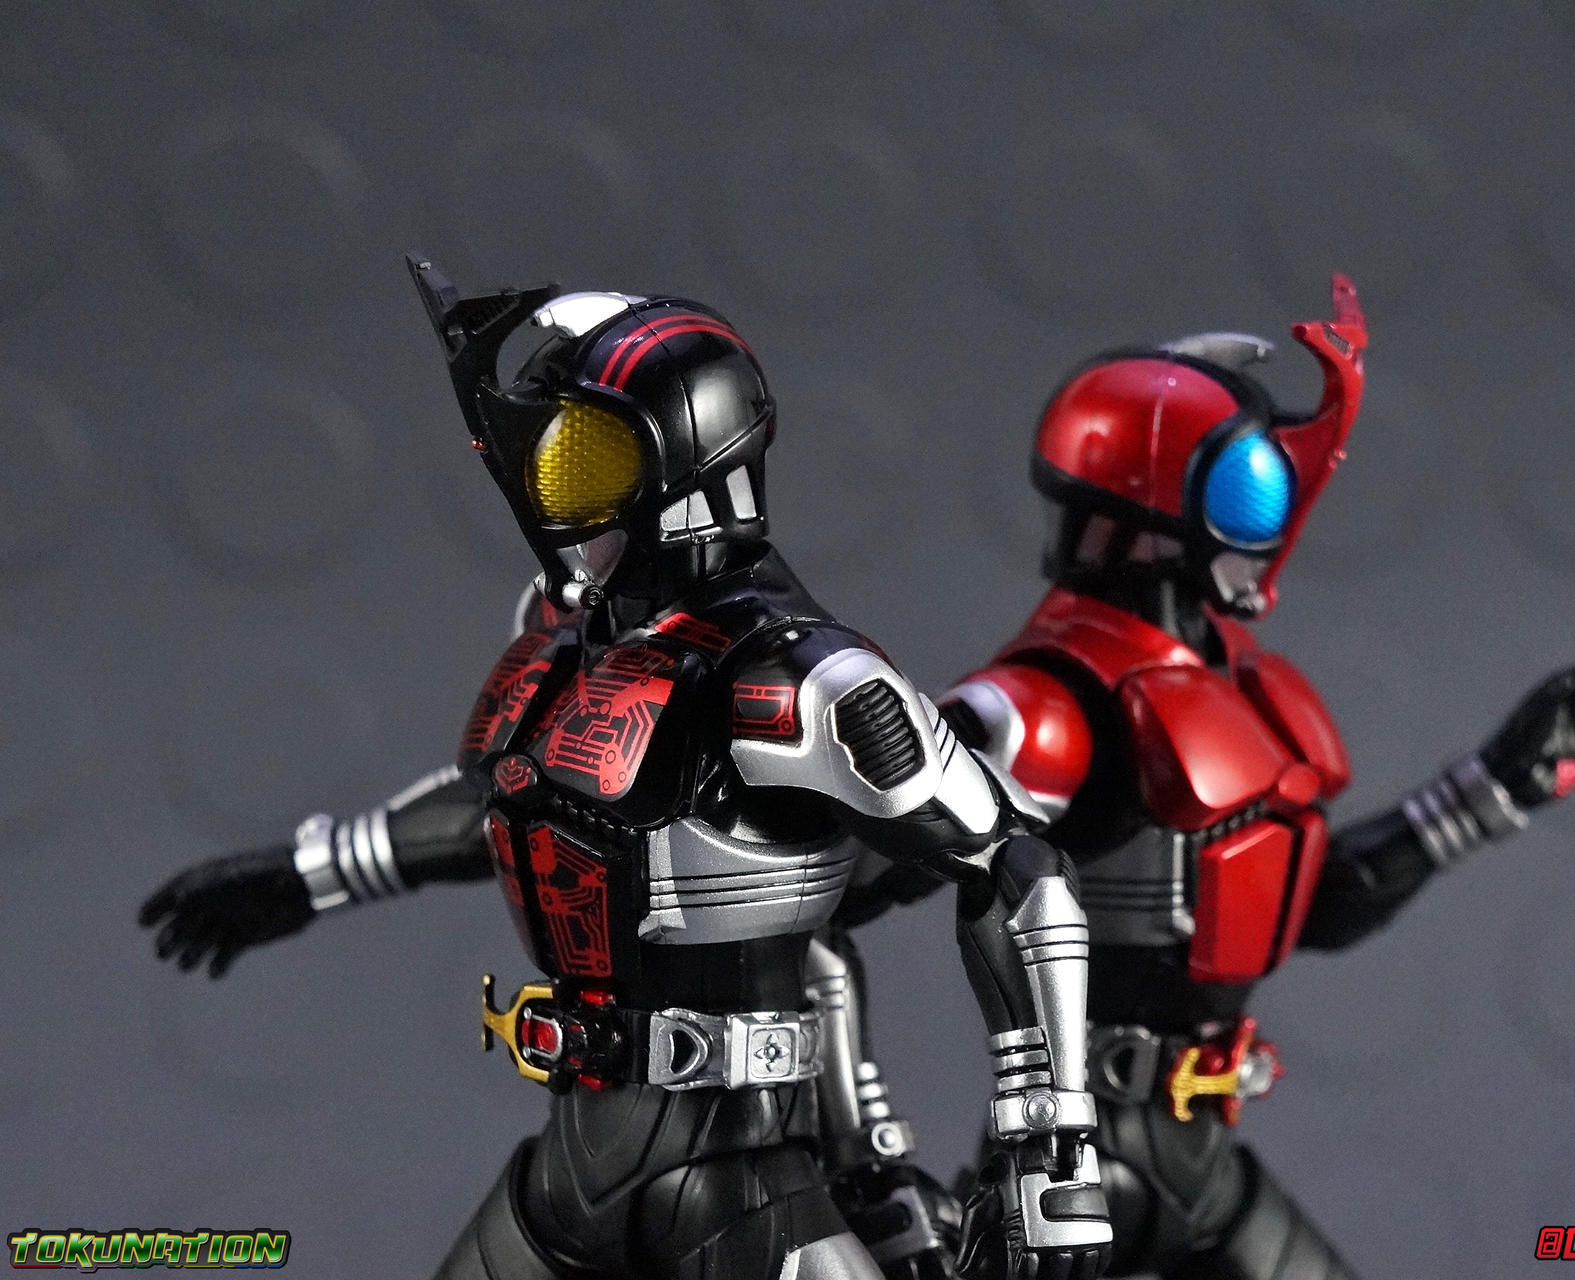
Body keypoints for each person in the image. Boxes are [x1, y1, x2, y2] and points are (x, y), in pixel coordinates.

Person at [139, 261, 1110, 1280]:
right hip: (570, 1179)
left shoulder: (803, 675)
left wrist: (1047, 1141)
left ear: (688, 463)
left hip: (743, 1187)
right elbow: (503, 809)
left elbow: (1015, 865)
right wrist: (310, 872)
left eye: (585, 454)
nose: (550, 484)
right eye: (549, 450)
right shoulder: (563, 643)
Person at [925, 277, 1575, 1279]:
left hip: (1201, 1158)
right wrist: (854, 1137)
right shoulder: (1043, 708)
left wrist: (1496, 787)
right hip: (1065, 1169)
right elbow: (821, 897)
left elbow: (1309, 903)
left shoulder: (1233, 687)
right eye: (1251, 485)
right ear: (1153, 504)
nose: (1277, 513)